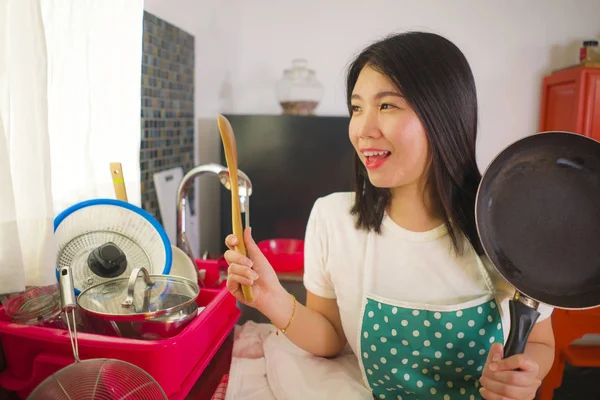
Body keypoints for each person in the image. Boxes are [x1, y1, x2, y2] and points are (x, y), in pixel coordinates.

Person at [224, 31, 555, 400]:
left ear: (444, 115)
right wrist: (273, 299)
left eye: (386, 106)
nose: (362, 130)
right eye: (357, 108)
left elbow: (540, 343)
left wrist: (527, 377)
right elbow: (331, 336)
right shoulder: (333, 220)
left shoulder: (508, 229)